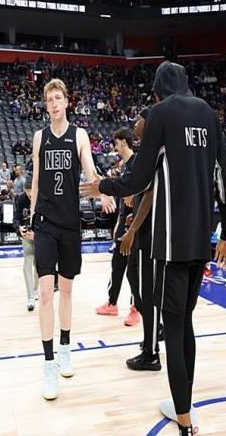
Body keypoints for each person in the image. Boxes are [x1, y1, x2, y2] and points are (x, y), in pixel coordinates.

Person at [80, 61, 226, 436]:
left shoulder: (161, 114)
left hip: (169, 245)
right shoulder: (208, 114)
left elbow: (139, 178)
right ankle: (185, 405)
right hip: (201, 241)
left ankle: (184, 421)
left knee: (174, 329)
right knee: (186, 324)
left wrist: (103, 186)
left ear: (156, 91)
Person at [31, 78, 115, 400]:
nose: (53, 104)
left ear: (67, 101)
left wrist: (102, 191)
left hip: (69, 224)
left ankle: (65, 348)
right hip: (44, 223)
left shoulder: (79, 135)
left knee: (66, 290)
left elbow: (91, 172)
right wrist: (31, 218)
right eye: (49, 99)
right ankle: (48, 365)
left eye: (58, 98)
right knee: (45, 291)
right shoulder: (39, 138)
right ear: (46, 105)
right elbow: (36, 180)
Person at [118, 109, 165, 371]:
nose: (135, 123)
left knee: (147, 292)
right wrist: (134, 216)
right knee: (137, 284)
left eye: (138, 119)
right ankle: (154, 333)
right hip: (143, 229)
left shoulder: (152, 152)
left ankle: (152, 351)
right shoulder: (148, 152)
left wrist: (133, 229)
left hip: (148, 235)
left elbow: (149, 195)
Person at [95, 127, 141, 327]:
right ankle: (112, 303)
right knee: (117, 265)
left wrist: (134, 195)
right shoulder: (124, 166)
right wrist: (118, 225)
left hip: (135, 225)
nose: (114, 147)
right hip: (123, 223)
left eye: (116, 143)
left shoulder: (137, 162)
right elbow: (123, 200)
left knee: (134, 271)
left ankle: (136, 308)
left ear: (123, 142)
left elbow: (143, 192)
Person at [14, 175, 38, 311]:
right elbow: (16, 218)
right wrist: (19, 228)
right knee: (27, 263)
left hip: (40, 235)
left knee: (39, 265)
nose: (29, 194)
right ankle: (30, 297)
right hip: (27, 235)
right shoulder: (21, 198)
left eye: (31, 191)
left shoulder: (42, 197)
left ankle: (35, 290)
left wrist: (38, 235)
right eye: (27, 191)